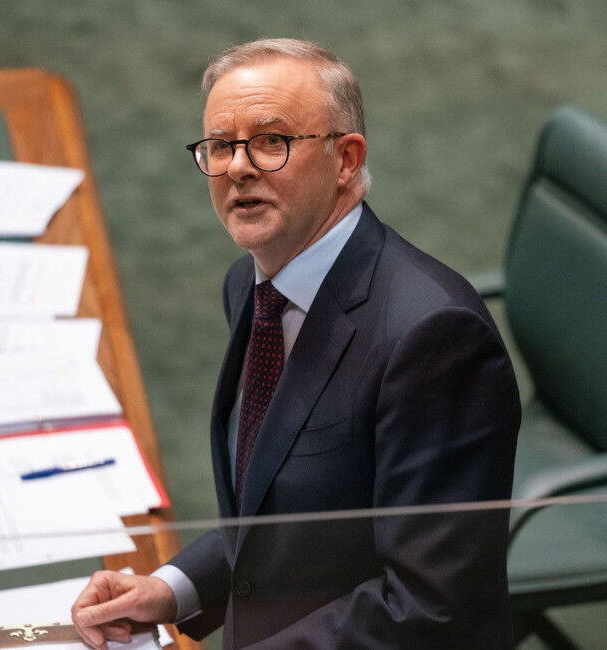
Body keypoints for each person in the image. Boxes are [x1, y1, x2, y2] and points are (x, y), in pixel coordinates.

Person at [72, 38, 521, 649]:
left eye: (271, 142)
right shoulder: (252, 284)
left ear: (345, 159)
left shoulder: (434, 339)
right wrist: (173, 588)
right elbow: (279, 509)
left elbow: (428, 607)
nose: (237, 167)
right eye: (220, 145)